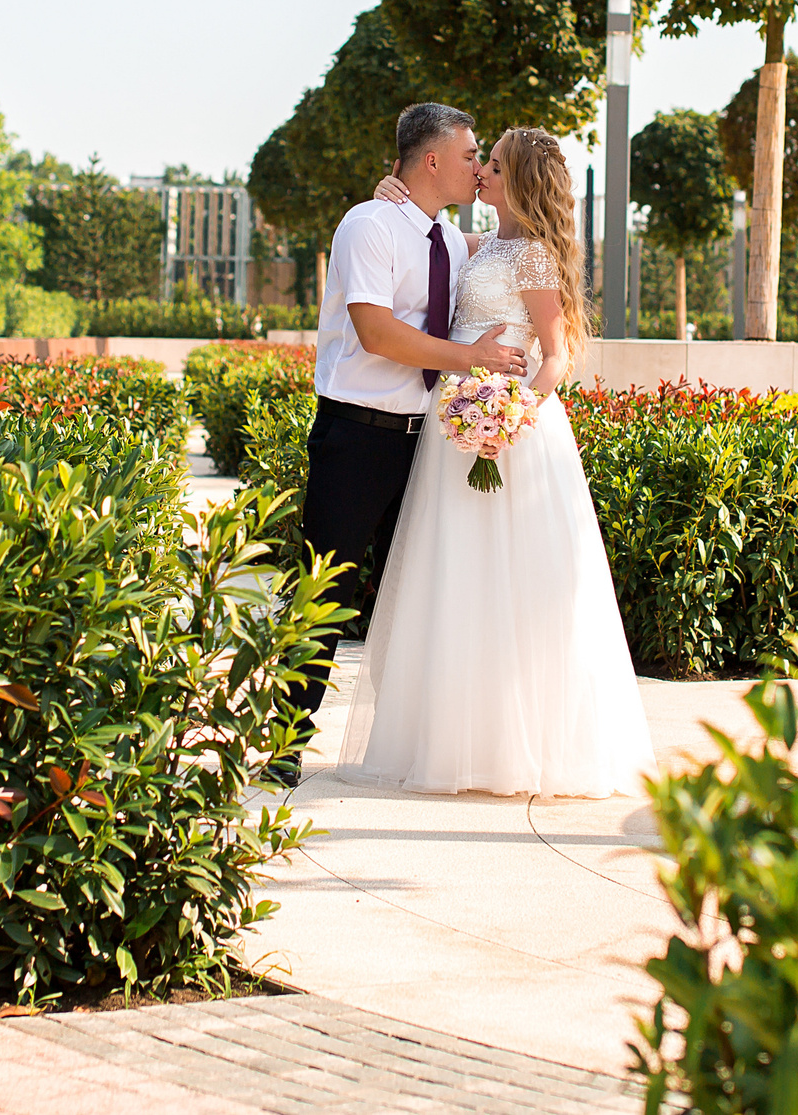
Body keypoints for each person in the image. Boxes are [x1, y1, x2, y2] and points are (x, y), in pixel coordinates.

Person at [339, 127, 655, 798]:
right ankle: (457, 740)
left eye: (494, 164)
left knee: (514, 585)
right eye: (480, 160)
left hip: (510, 433)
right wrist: (391, 194)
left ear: (518, 181)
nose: (480, 170)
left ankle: (521, 746)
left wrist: (513, 418)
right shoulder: (479, 245)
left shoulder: (535, 256)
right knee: (459, 582)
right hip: (455, 429)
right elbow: (430, 249)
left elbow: (555, 354)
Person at [280, 102, 527, 786]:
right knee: (324, 589)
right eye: (472, 153)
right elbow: (378, 335)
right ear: (431, 160)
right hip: (357, 437)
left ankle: (427, 742)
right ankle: (281, 742)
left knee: (426, 595)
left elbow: (520, 242)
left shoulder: (450, 239)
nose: (479, 164)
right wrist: (467, 357)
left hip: (429, 445)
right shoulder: (368, 224)